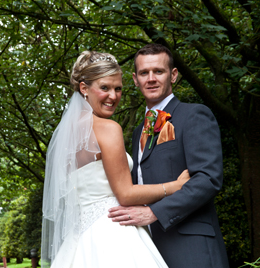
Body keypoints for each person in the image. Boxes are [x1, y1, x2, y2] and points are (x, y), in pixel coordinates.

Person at [41, 51, 190, 268]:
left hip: (80, 239)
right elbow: (126, 194)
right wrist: (175, 186)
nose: (113, 96)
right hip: (113, 231)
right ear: (84, 88)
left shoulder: (67, 136)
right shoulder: (109, 129)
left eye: (118, 88)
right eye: (105, 88)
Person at [108, 44, 230, 268]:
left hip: (191, 248)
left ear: (173, 75)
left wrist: (154, 213)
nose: (151, 78)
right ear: (135, 79)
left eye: (159, 71)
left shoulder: (194, 115)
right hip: (147, 248)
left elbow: (208, 179)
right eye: (144, 73)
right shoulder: (137, 133)